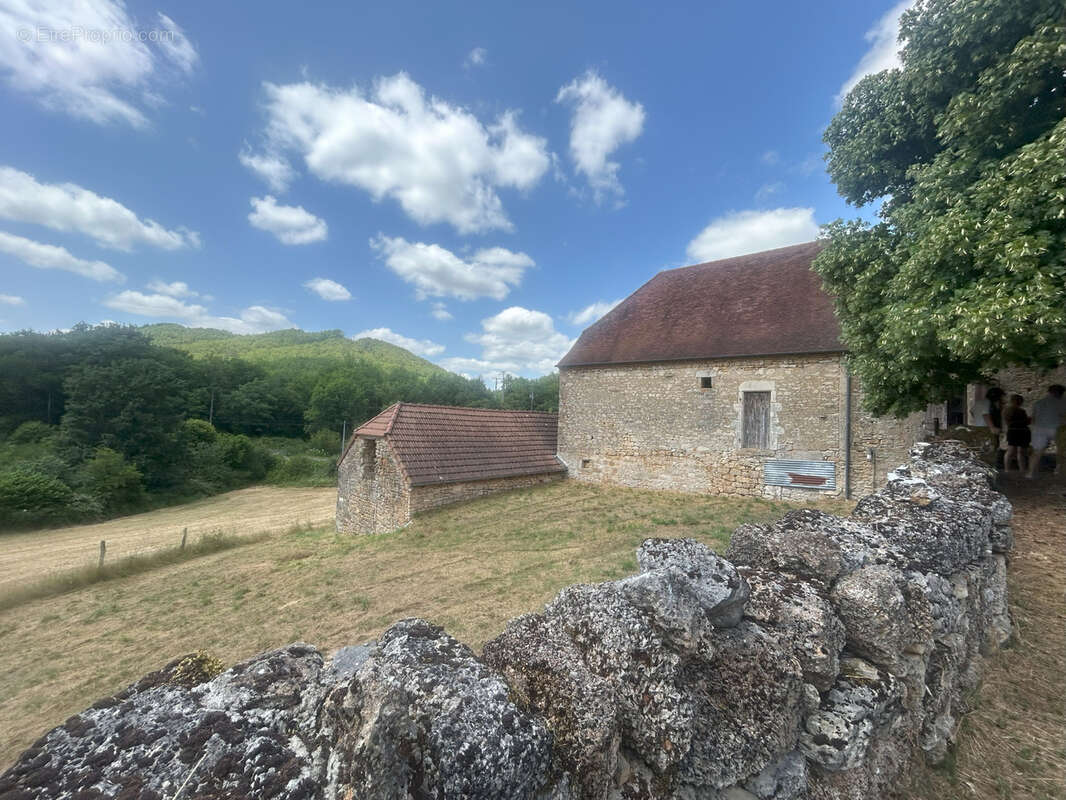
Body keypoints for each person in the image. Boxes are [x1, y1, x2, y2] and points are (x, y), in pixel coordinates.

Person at [1028, 384, 1066, 478]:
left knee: (1037, 452)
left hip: (1039, 429)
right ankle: (1059, 471)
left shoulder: (1038, 403)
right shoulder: (1062, 402)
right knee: (1062, 451)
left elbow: (1032, 418)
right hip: (1057, 428)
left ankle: (1030, 473)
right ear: (1060, 393)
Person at [973, 387, 1005, 464]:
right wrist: (992, 427)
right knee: (991, 448)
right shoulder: (987, 403)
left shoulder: (978, 403)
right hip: (986, 429)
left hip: (979, 428)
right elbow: (985, 415)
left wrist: (978, 421)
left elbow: (972, 412)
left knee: (982, 447)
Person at [1003, 394, 1030, 473]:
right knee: (1011, 451)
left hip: (1021, 432)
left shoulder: (1021, 411)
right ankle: (1007, 469)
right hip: (1014, 431)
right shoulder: (1008, 410)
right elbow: (1010, 422)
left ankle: (1022, 470)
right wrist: (1026, 421)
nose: (1019, 402)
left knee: (1021, 451)